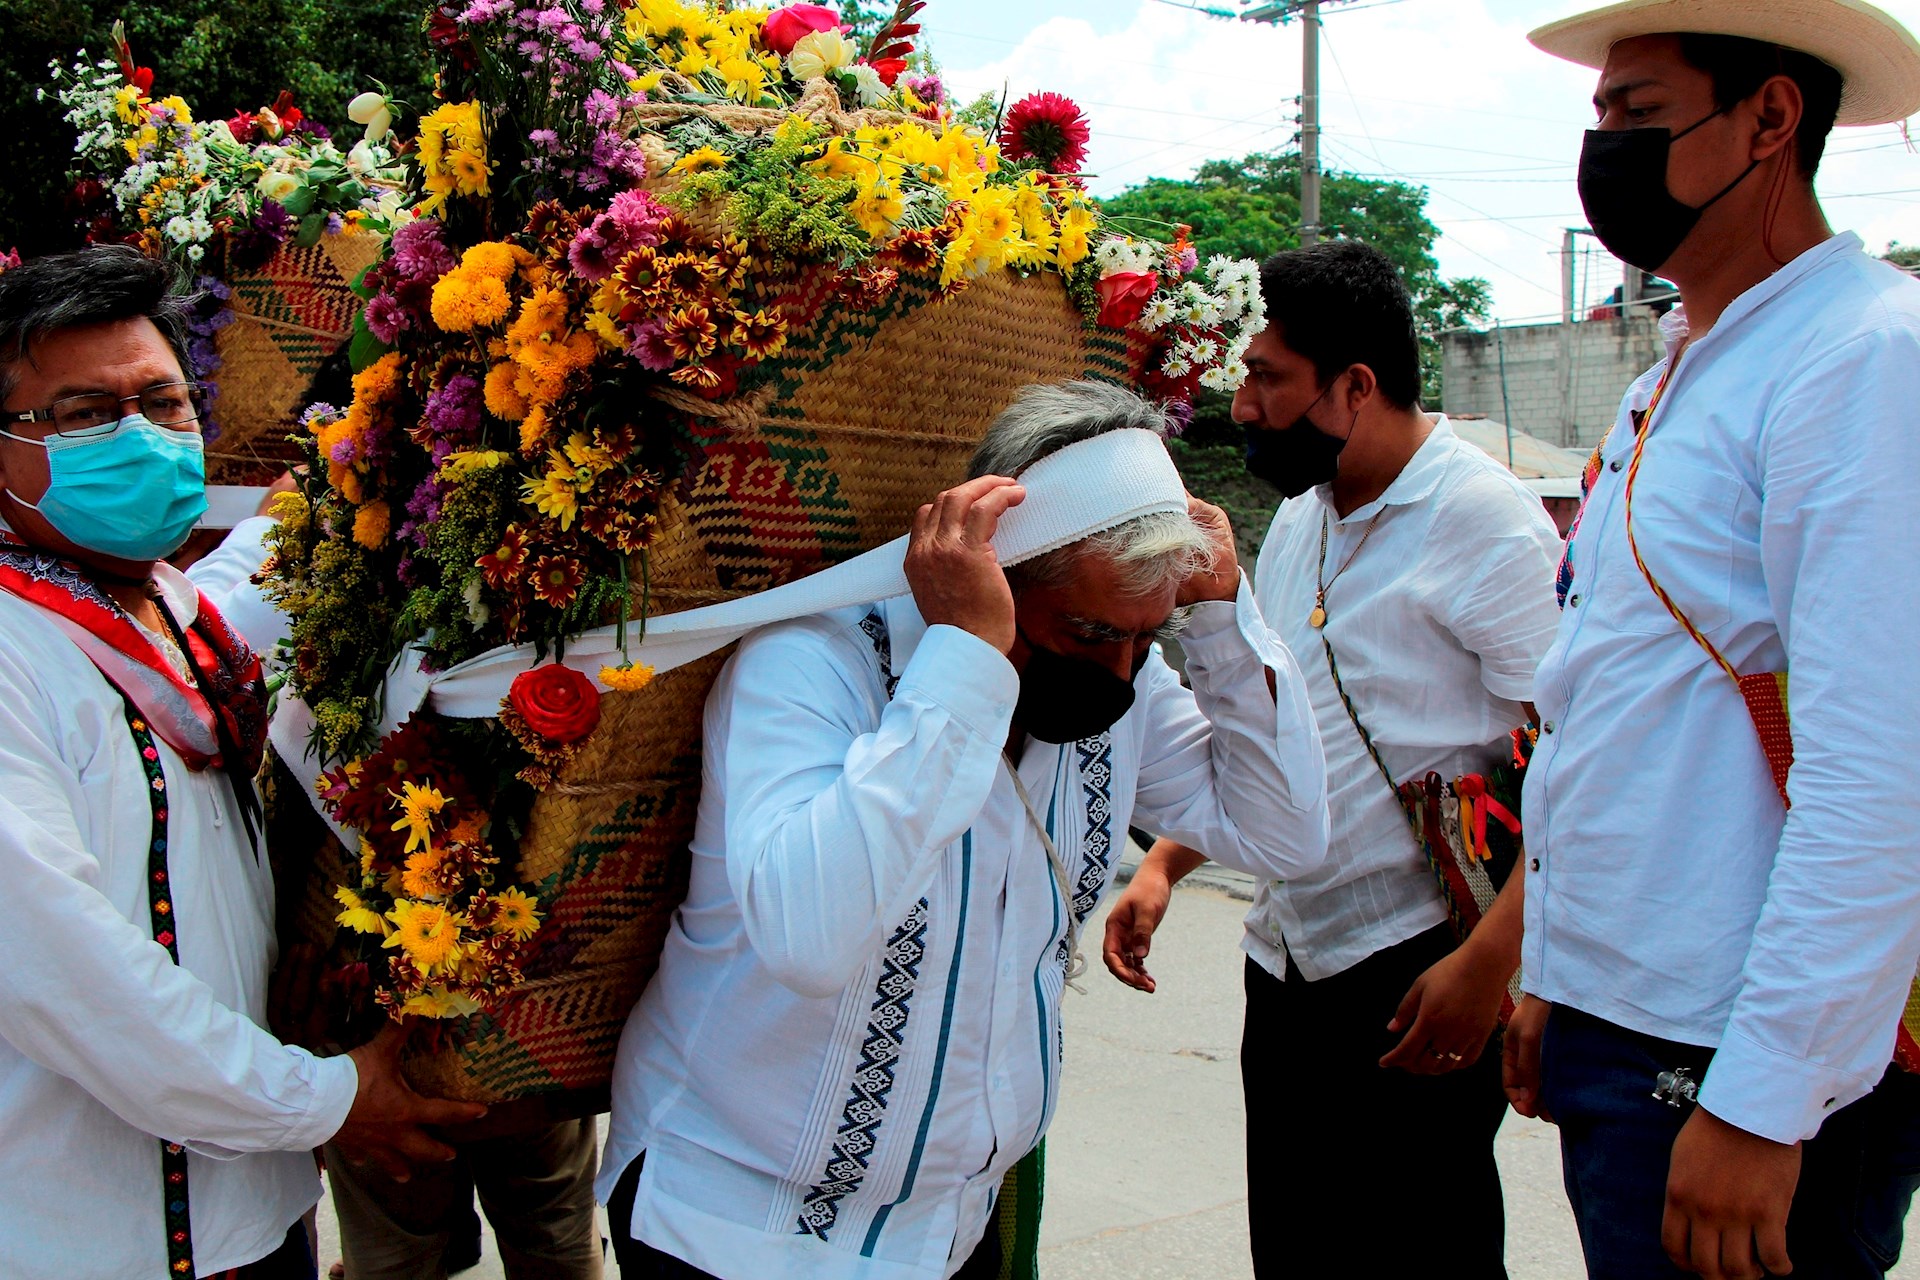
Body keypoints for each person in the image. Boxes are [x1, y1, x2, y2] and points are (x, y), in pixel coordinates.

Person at [594, 379, 1330, 1279]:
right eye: (1091, 631)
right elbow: (810, 939)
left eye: (1146, 637)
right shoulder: (812, 665)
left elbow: (1285, 835)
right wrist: (966, 661)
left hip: (953, 1229)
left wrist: (1220, 619)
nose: (1119, 669)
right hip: (736, 1227)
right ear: (993, 570)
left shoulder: (1122, 687)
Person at [1504, 5, 1920, 1278]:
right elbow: (1610, 703)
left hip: (1733, 1055)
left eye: (1638, 114)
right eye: (1598, 121)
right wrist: (1552, 969)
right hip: (1624, 1015)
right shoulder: (1679, 366)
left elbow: (1878, 767)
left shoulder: (1861, 357)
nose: (1605, 148)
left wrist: (1767, 1094)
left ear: (1771, 120)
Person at [0, 245, 485, 1280]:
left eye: (164, 402)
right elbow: (66, 974)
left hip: (257, 1219)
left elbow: (267, 560)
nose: (139, 436)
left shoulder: (174, 614)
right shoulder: (13, 650)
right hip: (82, 1239)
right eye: (83, 413)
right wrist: (322, 1095)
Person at [1102, 240, 1563, 1278]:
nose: (1247, 406)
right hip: (1288, 962)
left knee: (1419, 1250)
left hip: (1421, 967)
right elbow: (1283, 718)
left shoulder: (1487, 524)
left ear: (1356, 386)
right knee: (1301, 1249)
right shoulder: (1303, 518)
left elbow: (1590, 754)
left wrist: (1492, 964)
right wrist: (1168, 860)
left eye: (1269, 378)